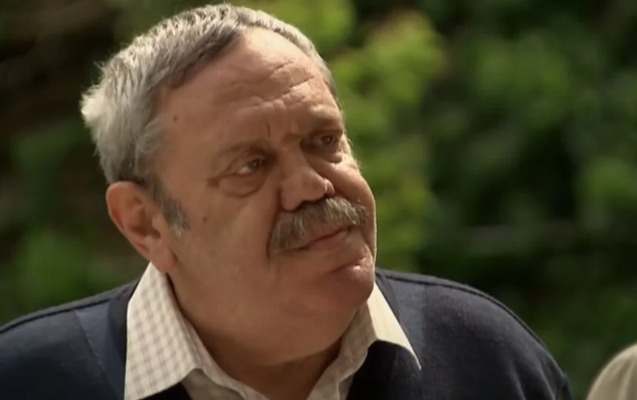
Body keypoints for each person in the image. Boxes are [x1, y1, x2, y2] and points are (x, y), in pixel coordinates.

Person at [0, 4, 572, 400]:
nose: (311, 185)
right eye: (251, 165)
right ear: (145, 224)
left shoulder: (485, 360)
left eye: (324, 142)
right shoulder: (28, 383)